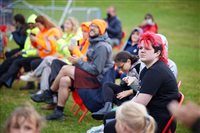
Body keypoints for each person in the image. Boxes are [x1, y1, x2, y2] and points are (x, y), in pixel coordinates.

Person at [31, 19, 113, 120]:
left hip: (97, 80)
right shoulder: (94, 42)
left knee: (65, 68)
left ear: (101, 30)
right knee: (64, 80)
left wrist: (78, 62)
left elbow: (96, 70)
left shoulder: (102, 46)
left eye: (95, 27)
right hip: (89, 75)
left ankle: (49, 93)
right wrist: (76, 59)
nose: (91, 28)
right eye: (91, 26)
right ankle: (59, 112)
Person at [104, 32, 179, 133]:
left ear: (157, 53)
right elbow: (138, 95)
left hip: (156, 122)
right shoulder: (148, 69)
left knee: (110, 125)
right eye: (140, 48)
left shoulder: (155, 72)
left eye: (147, 49)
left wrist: (120, 110)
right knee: (110, 117)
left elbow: (140, 104)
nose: (142, 51)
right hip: (148, 114)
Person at [20, 17, 82, 93]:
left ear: (73, 26)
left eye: (68, 24)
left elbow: (71, 52)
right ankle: (44, 91)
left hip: (71, 64)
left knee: (46, 59)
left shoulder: (76, 38)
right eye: (65, 23)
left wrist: (59, 40)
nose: (65, 25)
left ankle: (34, 75)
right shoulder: (65, 35)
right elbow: (59, 50)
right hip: (63, 60)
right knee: (46, 67)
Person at [0, 15, 61, 88]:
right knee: (14, 60)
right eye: (29, 24)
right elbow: (37, 47)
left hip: (47, 56)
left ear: (43, 23)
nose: (30, 25)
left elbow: (49, 48)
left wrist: (35, 41)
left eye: (34, 24)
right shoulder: (39, 32)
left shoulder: (50, 31)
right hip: (40, 55)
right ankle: (29, 82)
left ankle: (33, 79)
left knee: (23, 62)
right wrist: (33, 42)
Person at [92, 51, 141, 120]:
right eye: (118, 68)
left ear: (128, 61)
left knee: (116, 97)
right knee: (107, 85)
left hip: (137, 97)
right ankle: (107, 108)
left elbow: (145, 88)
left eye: (121, 67)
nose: (120, 70)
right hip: (129, 94)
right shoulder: (129, 68)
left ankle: (115, 114)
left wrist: (130, 91)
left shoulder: (139, 67)